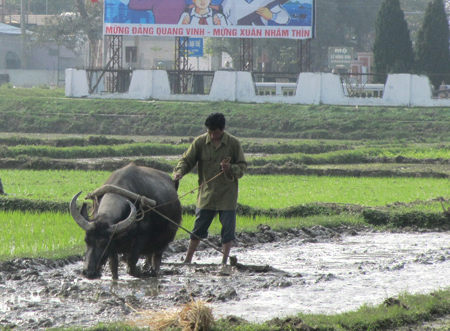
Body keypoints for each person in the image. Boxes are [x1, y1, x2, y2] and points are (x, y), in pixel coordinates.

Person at [173, 113, 247, 264]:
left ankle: (224, 261)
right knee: (197, 230)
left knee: (228, 231)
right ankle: (188, 259)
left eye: (216, 133)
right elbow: (187, 160)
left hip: (227, 196)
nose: (213, 136)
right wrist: (179, 172)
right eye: (210, 132)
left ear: (223, 129)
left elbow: (242, 167)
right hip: (206, 194)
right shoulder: (200, 142)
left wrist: (231, 167)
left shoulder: (233, 143)